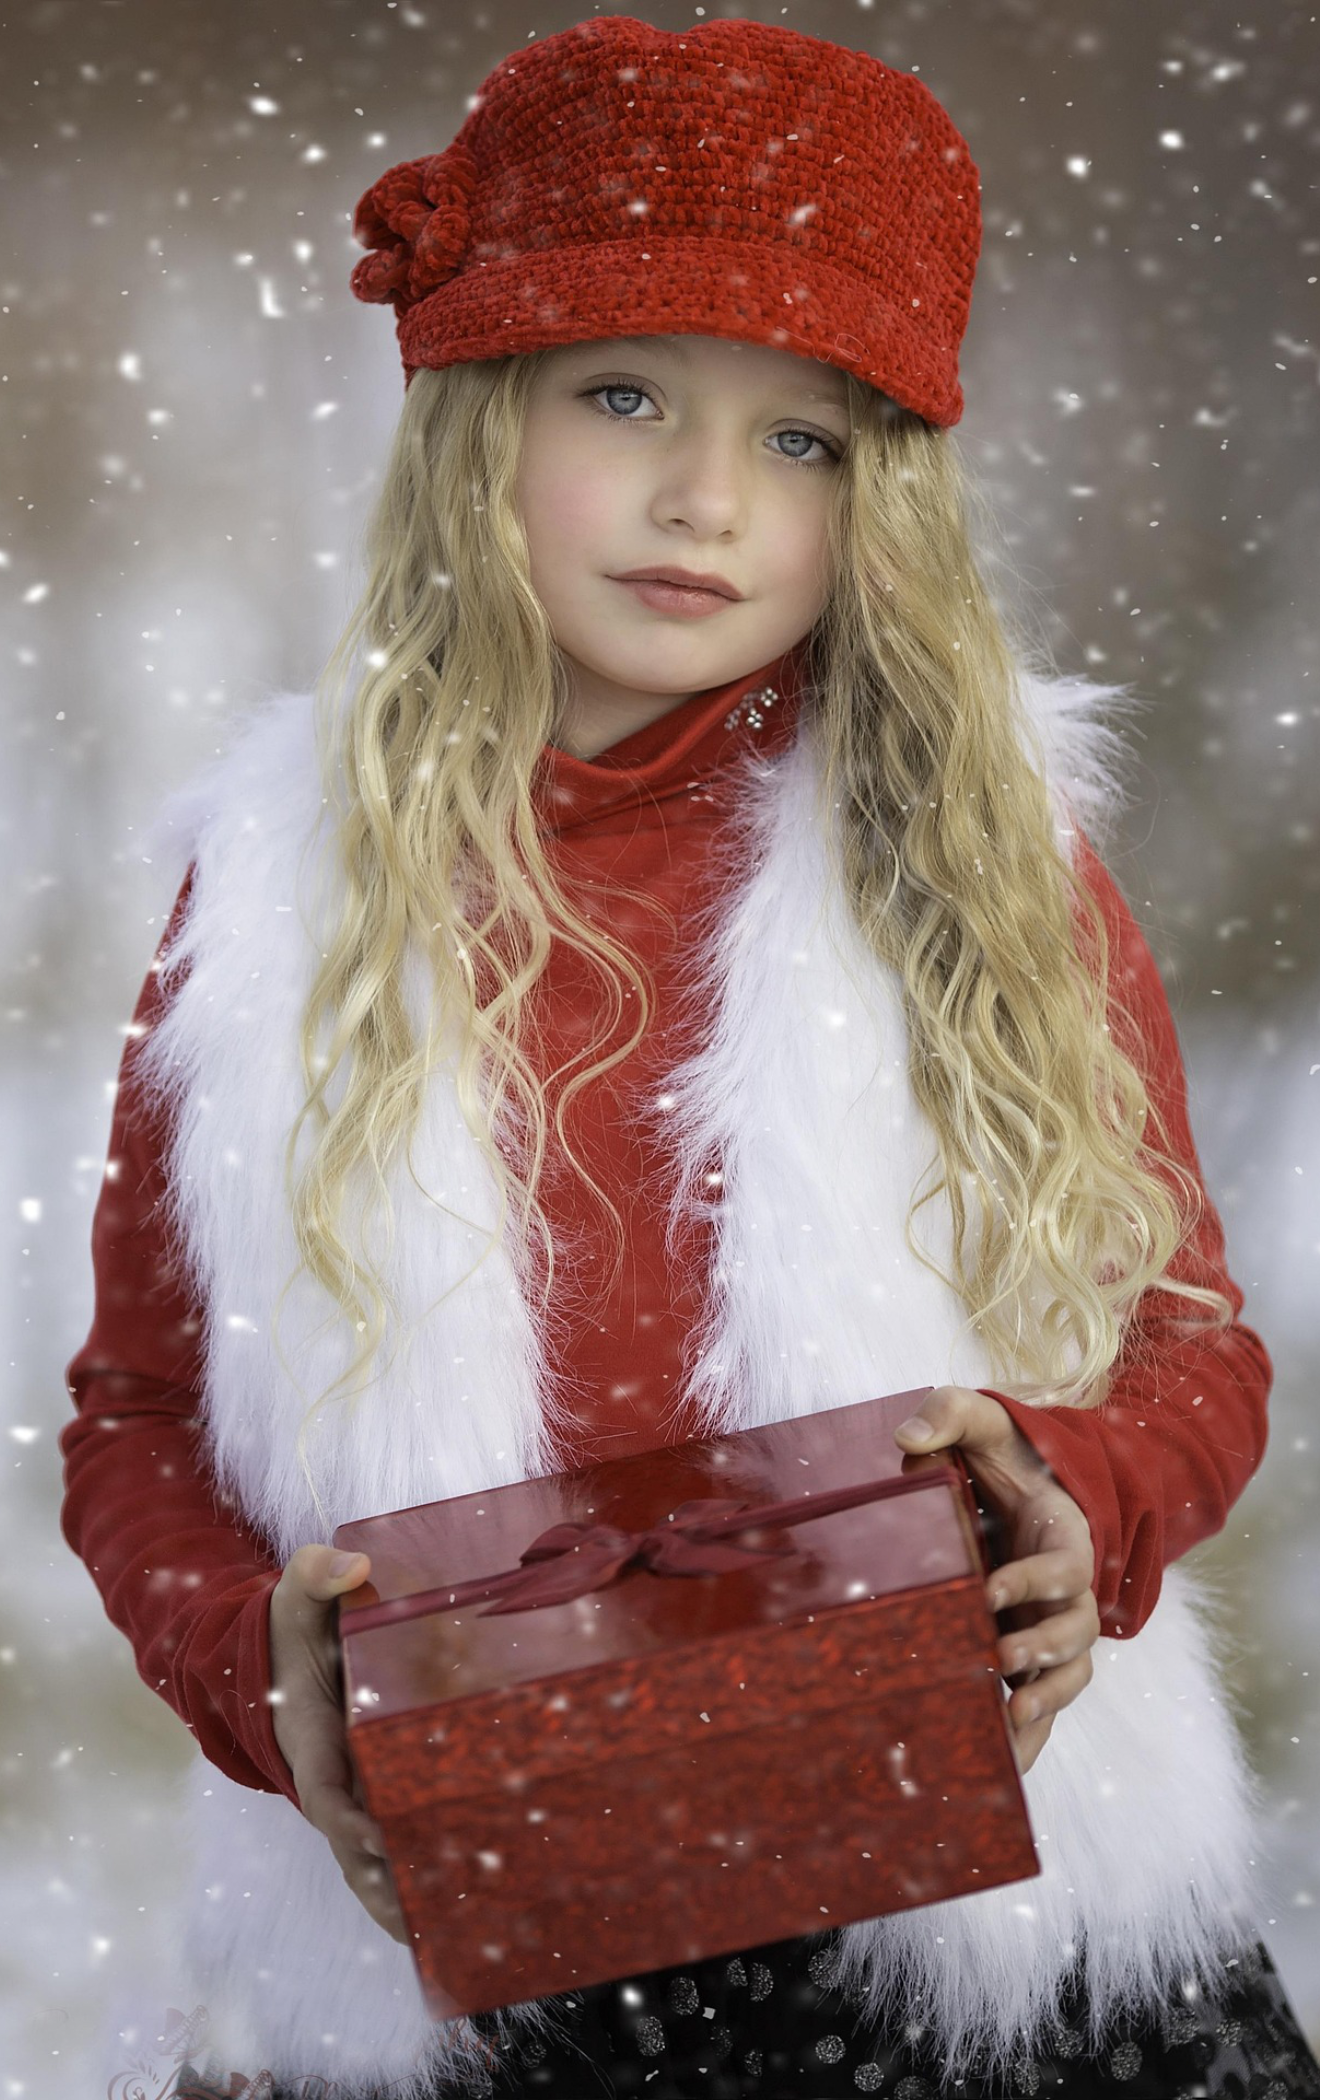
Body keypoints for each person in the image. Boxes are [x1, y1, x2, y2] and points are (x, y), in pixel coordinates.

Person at [59, 16, 1320, 2100]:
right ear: (479, 420)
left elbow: (1190, 1340)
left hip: (984, 1943)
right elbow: (139, 1412)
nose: (705, 496)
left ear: (879, 493)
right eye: (623, 393)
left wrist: (1078, 1504)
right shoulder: (276, 895)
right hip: (470, 1938)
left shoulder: (980, 849)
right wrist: (251, 1670)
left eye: (801, 437)